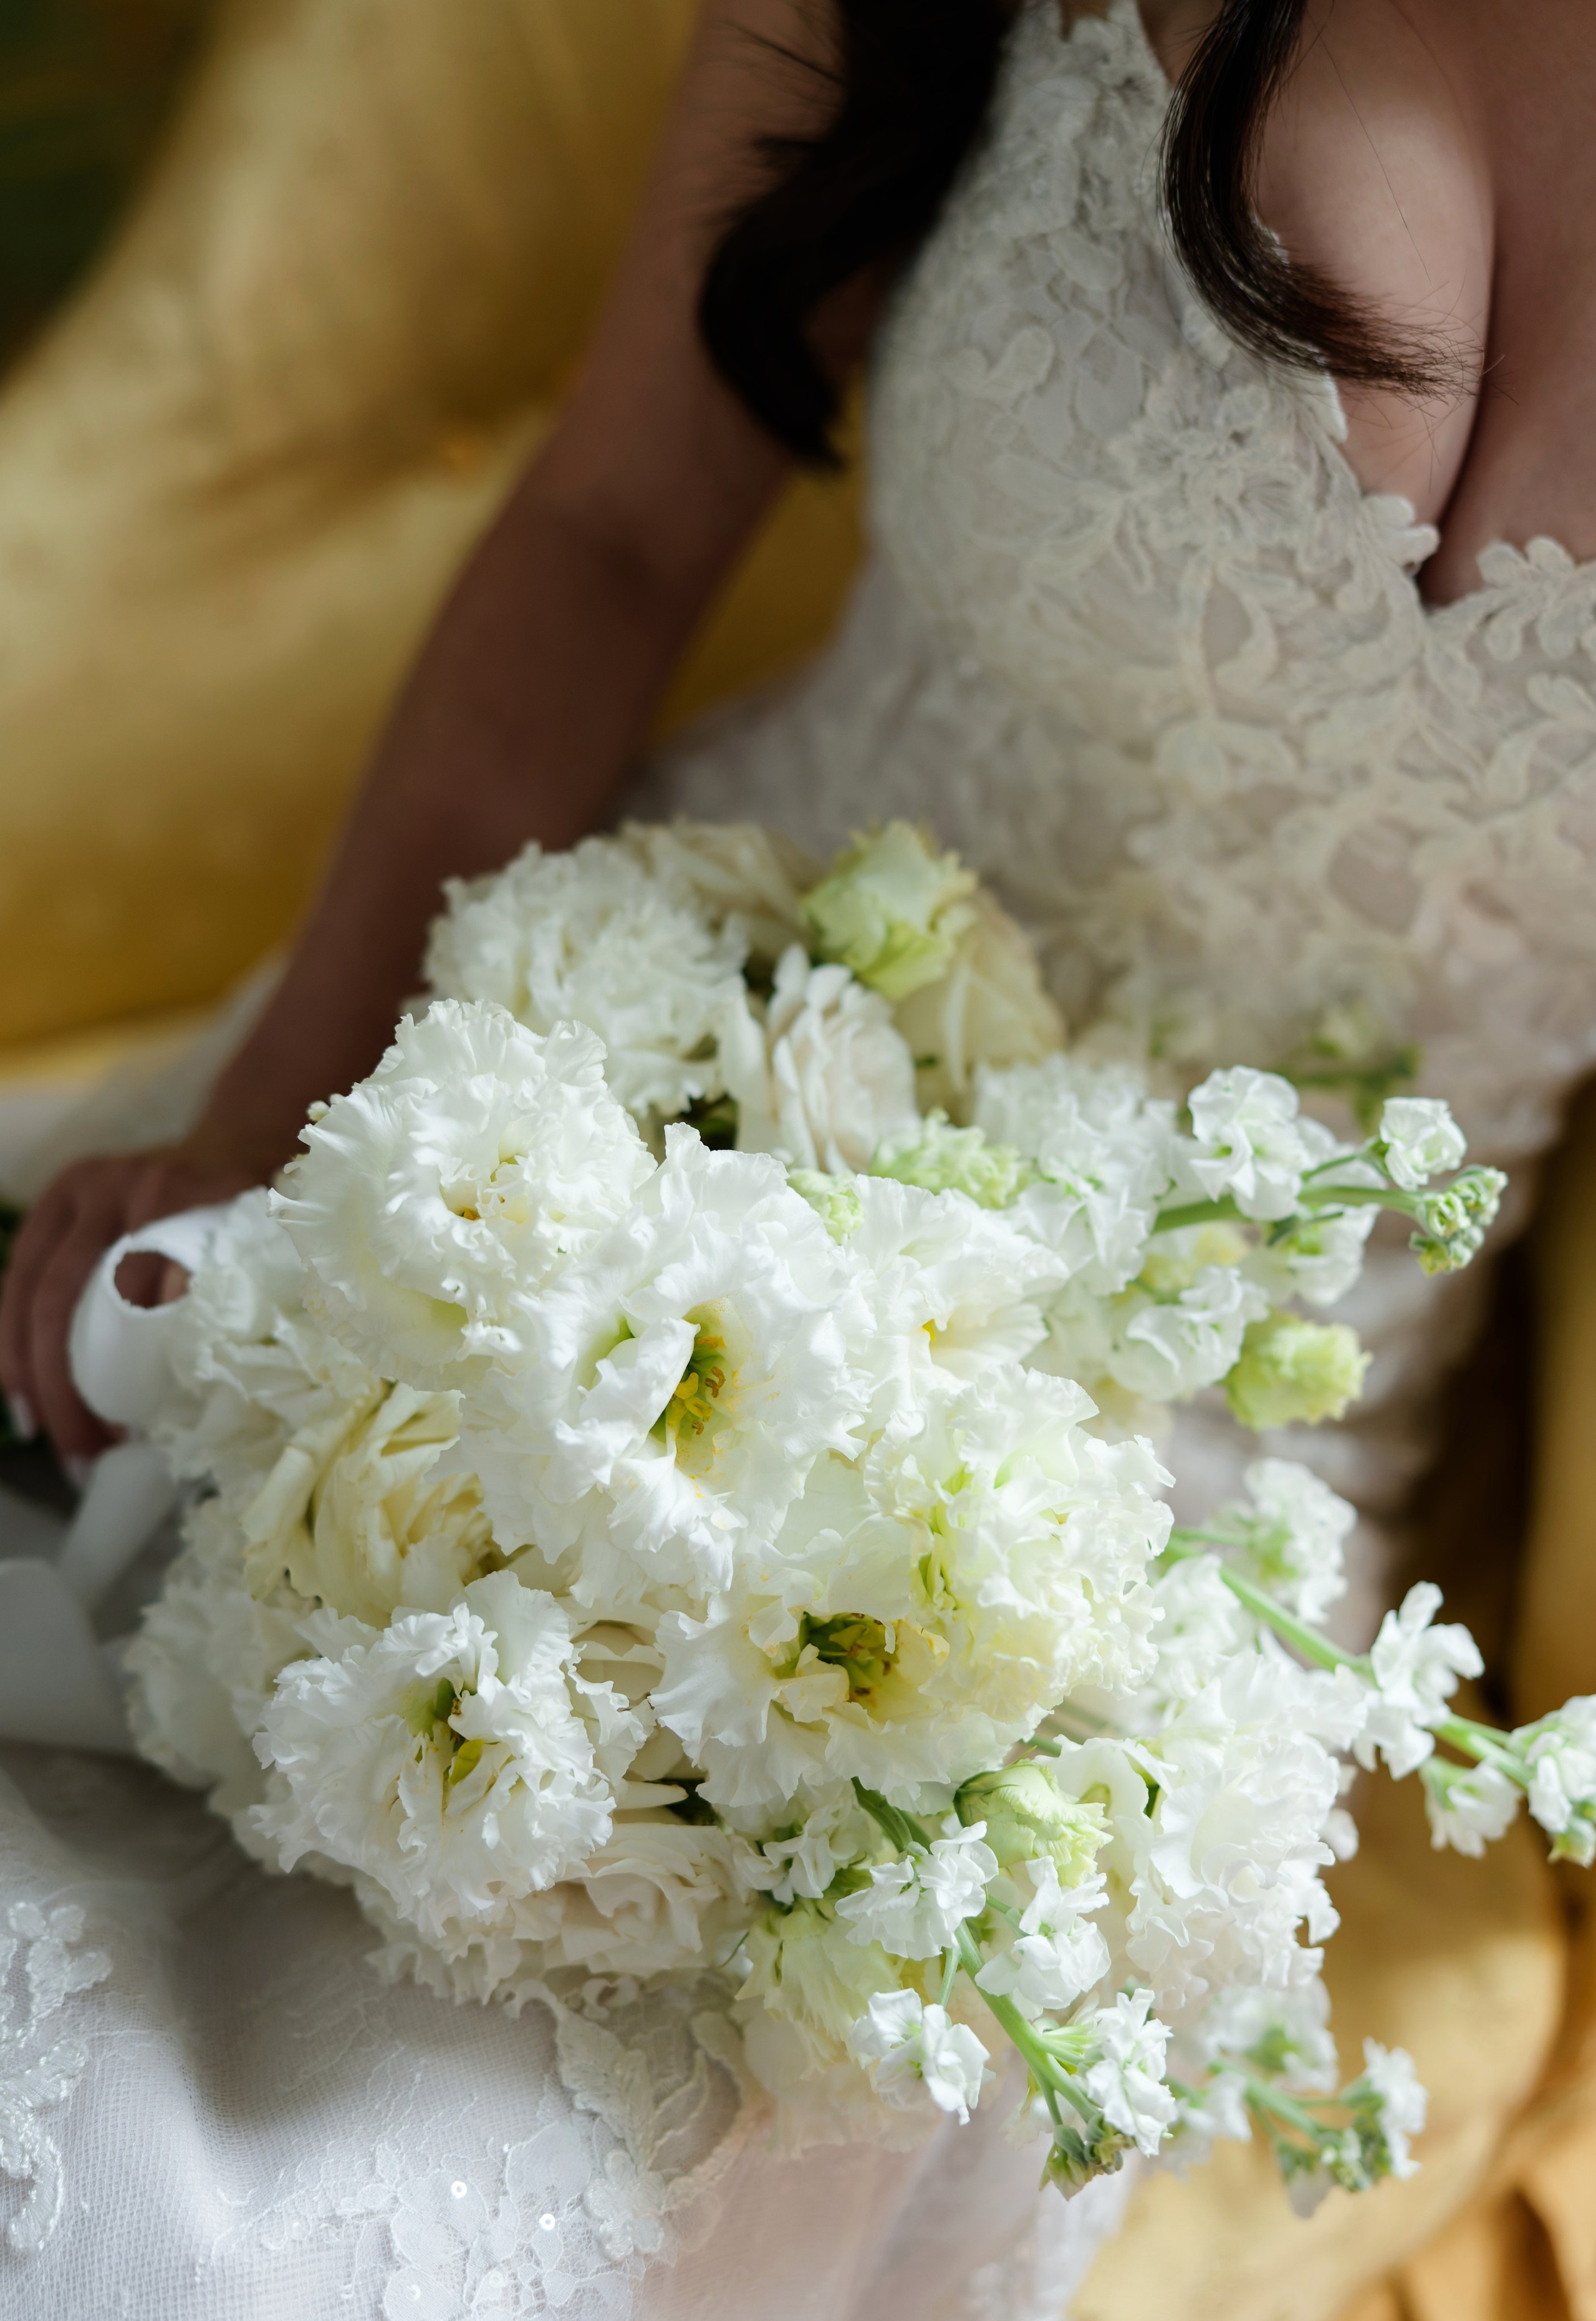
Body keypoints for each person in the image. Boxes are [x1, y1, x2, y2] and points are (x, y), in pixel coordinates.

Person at [2, 0, 1594, 2313]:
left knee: (380, 2210)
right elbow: (613, 524)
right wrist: (271, 1127)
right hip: (607, 1089)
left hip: (1168, 1509)